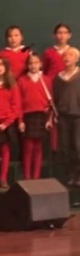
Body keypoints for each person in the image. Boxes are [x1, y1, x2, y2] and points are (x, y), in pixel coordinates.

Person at [17, 53, 53, 180]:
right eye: (31, 63)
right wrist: (20, 120)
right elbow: (18, 102)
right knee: (28, 147)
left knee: (38, 147)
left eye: (36, 63)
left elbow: (51, 102)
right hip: (28, 116)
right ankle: (27, 176)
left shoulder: (46, 80)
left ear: (41, 64)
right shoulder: (22, 80)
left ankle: (36, 176)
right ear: (27, 65)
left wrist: (49, 119)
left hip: (41, 115)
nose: (33, 65)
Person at [0, 57, 21, 187]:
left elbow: (15, 107)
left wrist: (6, 123)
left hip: (6, 124)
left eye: (1, 64)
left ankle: (3, 178)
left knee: (5, 151)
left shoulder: (11, 85)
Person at [52, 47, 80, 185]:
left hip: (78, 116)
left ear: (76, 58)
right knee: (65, 147)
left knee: (78, 145)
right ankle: (70, 175)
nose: (67, 58)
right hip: (63, 116)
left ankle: (79, 175)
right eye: (65, 56)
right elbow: (55, 98)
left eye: (70, 55)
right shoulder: (58, 78)